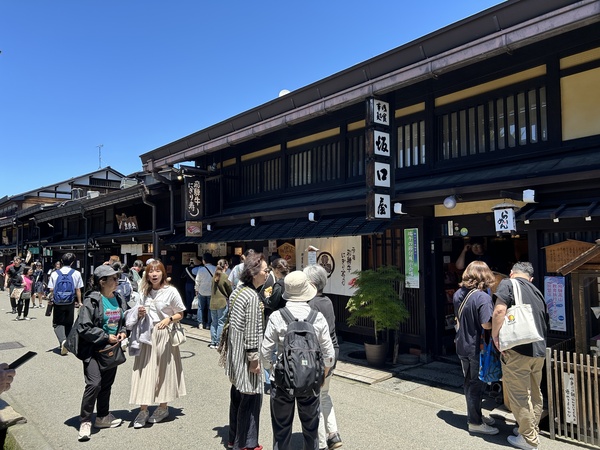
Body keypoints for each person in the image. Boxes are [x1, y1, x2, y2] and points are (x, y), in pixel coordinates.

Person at [261, 271, 335, 450]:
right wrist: (322, 375)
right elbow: (329, 354)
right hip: (310, 381)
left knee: (281, 430)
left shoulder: (277, 316)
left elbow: (265, 352)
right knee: (311, 429)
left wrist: (272, 369)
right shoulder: (317, 317)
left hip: (282, 381)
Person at [492, 262, 549, 450]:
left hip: (518, 350)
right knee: (535, 393)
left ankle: (528, 439)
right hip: (538, 350)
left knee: (519, 395)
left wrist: (495, 336)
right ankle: (531, 429)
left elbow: (499, 310)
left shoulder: (508, 284)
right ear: (530, 278)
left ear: (511, 273)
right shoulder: (537, 291)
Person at [129, 260, 186, 429]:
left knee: (163, 370)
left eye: (157, 271)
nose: (154, 274)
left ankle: (163, 407)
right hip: (146, 333)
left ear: (163, 273)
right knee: (143, 370)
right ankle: (143, 410)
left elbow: (180, 313)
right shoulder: (143, 291)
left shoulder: (171, 291)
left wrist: (169, 319)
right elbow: (136, 310)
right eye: (151, 271)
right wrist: (139, 312)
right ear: (146, 275)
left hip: (163, 334)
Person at [75, 265, 128, 442]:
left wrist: (123, 332)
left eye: (117, 277)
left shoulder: (119, 298)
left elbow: (124, 319)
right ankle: (85, 421)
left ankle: (102, 416)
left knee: (106, 384)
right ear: (102, 282)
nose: (117, 281)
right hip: (92, 348)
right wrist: (105, 336)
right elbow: (84, 327)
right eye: (113, 278)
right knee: (94, 383)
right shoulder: (92, 300)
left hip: (111, 348)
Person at [225, 252, 268, 450]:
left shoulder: (238, 291)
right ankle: (246, 443)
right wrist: (254, 359)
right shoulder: (251, 296)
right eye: (265, 270)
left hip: (235, 353)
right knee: (250, 399)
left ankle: (233, 438)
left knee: (237, 395)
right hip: (246, 356)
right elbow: (251, 331)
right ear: (253, 272)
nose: (267, 274)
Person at [453, 260, 499, 436]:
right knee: (476, 385)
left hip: (462, 344)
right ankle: (475, 422)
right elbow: (486, 324)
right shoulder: (482, 297)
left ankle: (476, 415)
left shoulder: (458, 293)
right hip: (476, 347)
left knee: (469, 382)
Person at [304, 264, 343, 450]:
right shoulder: (327, 301)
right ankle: (333, 434)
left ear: (310, 283)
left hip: (319, 357)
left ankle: (319, 443)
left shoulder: (310, 305)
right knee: (324, 395)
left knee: (314, 400)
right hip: (332, 353)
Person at [48, 253, 84, 356]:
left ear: (61, 261)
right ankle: (68, 344)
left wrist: (51, 299)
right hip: (70, 301)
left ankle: (63, 341)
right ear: (72, 262)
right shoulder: (76, 273)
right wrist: (80, 302)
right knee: (69, 323)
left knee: (57, 323)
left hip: (58, 301)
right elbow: (78, 289)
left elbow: (51, 289)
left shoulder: (55, 273)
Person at [209, 259, 232, 349]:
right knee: (221, 322)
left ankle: (213, 342)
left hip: (213, 302)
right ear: (225, 266)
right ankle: (218, 342)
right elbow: (229, 290)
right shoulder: (225, 276)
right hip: (222, 302)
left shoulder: (214, 276)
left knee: (213, 323)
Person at [194, 253, 216, 329]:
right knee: (210, 308)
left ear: (204, 260)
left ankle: (200, 323)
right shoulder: (215, 269)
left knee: (200, 308)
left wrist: (196, 289)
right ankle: (208, 324)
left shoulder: (201, 270)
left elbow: (197, 281)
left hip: (201, 291)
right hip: (211, 291)